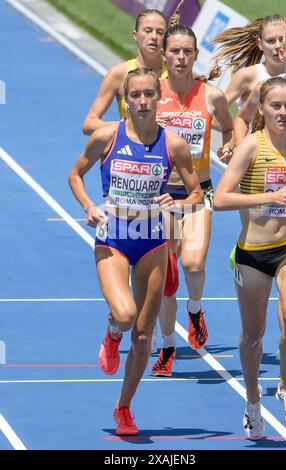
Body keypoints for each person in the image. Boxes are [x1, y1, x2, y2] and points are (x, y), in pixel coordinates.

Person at [68, 67, 203, 435]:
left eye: (149, 95)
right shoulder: (107, 137)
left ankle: (124, 408)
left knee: (144, 336)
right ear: (125, 100)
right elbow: (75, 175)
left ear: (158, 98)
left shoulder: (173, 144)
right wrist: (88, 207)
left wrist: (178, 206)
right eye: (135, 96)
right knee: (125, 315)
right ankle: (112, 333)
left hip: (153, 240)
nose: (143, 102)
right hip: (113, 236)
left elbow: (196, 195)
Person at [214, 77, 286, 439]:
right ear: (262, 109)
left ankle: (285, 385)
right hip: (252, 255)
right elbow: (219, 199)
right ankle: (252, 404)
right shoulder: (251, 146)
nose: (283, 112)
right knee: (253, 337)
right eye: (276, 106)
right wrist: (268, 198)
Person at [151, 24, 234, 377]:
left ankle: (196, 308)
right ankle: (168, 346)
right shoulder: (151, 93)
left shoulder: (211, 96)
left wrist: (228, 144)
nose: (181, 58)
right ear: (165, 55)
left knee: (194, 265)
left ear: (196, 55)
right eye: (175, 52)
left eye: (188, 52)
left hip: (200, 190)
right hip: (161, 195)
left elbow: (230, 128)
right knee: (167, 277)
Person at [82, 9, 168, 135]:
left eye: (160, 32)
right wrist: (128, 125)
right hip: (130, 151)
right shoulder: (119, 74)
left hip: (166, 151)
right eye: (148, 31)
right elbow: (89, 124)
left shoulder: (174, 74)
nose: (154, 37)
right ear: (135, 35)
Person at [212, 14, 286, 109]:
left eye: (282, 39)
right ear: (260, 44)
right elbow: (217, 114)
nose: (278, 46)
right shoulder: (247, 75)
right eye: (270, 41)